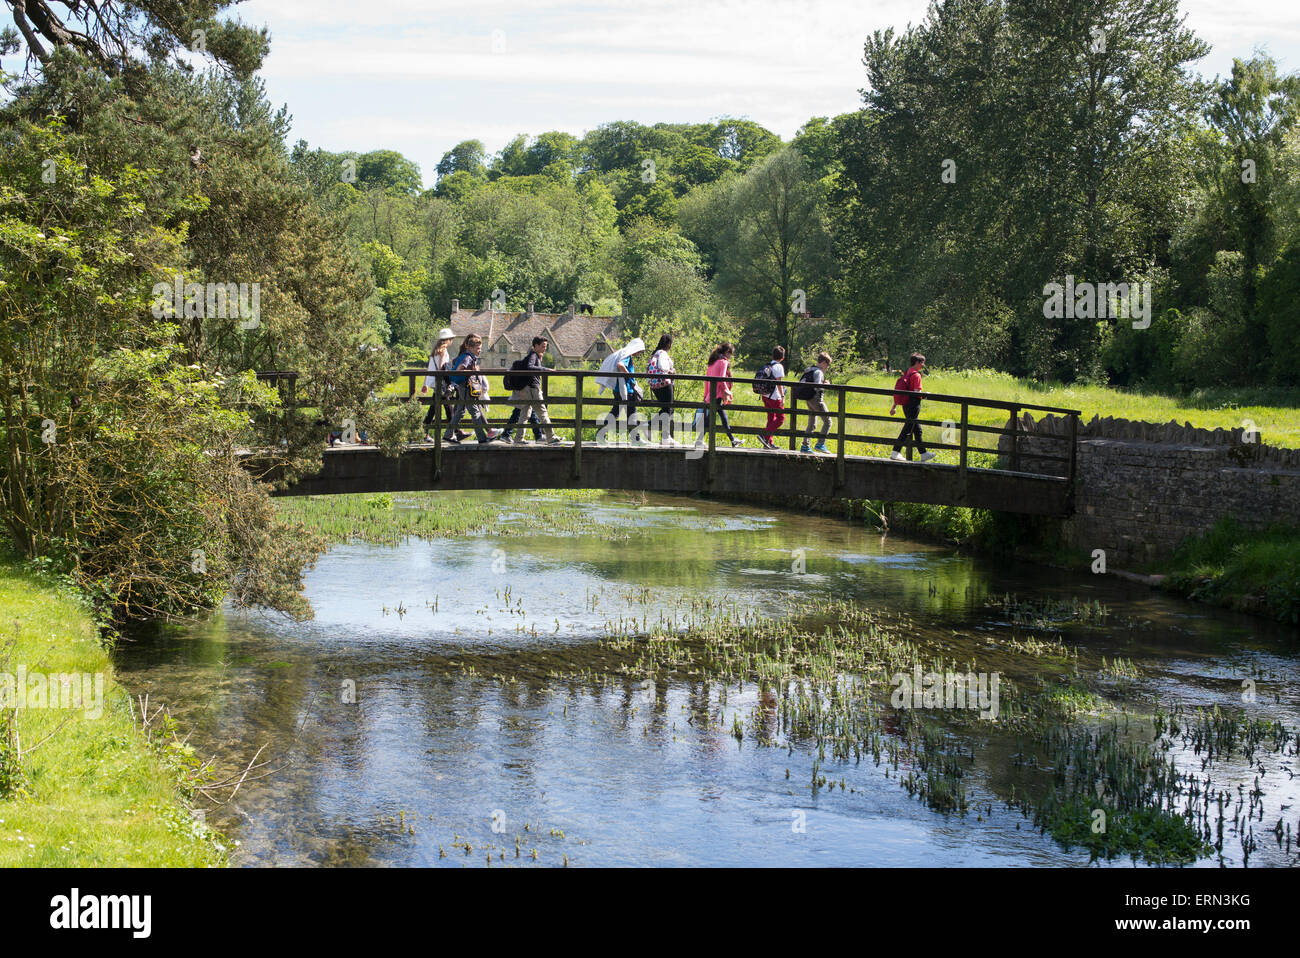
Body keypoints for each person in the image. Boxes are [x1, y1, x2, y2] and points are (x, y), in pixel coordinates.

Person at [443, 334, 499, 444]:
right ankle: (482, 438)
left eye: (480, 348)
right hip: (466, 387)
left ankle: (448, 435)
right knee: (475, 412)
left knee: (459, 411)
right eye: (477, 348)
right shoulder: (467, 357)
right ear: (470, 348)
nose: (479, 351)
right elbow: (460, 369)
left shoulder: (468, 356)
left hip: (463, 386)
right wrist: (471, 372)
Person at [507, 336, 559, 445]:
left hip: (526, 389)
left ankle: (518, 439)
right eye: (543, 346)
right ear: (535, 346)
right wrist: (546, 369)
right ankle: (551, 437)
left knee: (524, 414)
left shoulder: (533, 355)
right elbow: (530, 367)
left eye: (546, 346)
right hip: (532, 389)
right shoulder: (533, 355)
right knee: (542, 412)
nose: (545, 348)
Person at [595, 338, 645, 444]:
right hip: (626, 390)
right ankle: (635, 439)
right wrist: (630, 378)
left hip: (618, 390)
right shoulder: (626, 356)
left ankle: (600, 434)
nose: (640, 353)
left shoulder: (623, 353)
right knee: (631, 414)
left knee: (616, 412)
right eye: (640, 351)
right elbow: (620, 365)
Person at [421, 327, 467, 442]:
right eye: (451, 339)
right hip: (440, 382)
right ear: (447, 339)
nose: (451, 341)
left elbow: (429, 368)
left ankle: (424, 433)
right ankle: (454, 432)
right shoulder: (443, 351)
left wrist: (425, 383)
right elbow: (441, 367)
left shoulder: (434, 351)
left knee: (435, 408)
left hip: (434, 381)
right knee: (448, 407)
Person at [890, 352, 937, 462]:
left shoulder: (907, 372)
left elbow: (901, 390)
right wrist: (925, 395)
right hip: (913, 404)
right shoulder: (916, 375)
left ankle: (923, 453)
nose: (923, 365)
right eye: (922, 363)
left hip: (905, 404)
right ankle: (895, 452)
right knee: (908, 427)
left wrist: (894, 405)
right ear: (917, 362)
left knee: (917, 429)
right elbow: (917, 392)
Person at [701, 342, 741, 448]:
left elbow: (707, 381)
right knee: (716, 418)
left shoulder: (713, 362)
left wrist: (706, 395)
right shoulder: (723, 362)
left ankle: (732, 440)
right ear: (727, 352)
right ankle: (732, 440)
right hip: (717, 394)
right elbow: (722, 379)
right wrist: (728, 391)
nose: (730, 357)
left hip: (710, 395)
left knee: (717, 417)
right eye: (731, 354)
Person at [645, 334, 678, 445]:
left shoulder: (655, 353)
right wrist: (671, 371)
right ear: (668, 344)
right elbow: (663, 367)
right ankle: (664, 437)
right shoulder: (663, 353)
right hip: (664, 384)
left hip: (655, 385)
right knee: (668, 409)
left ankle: (649, 426)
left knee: (666, 409)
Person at [798, 352, 832, 454]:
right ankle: (820, 444)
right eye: (827, 364)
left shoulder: (809, 370)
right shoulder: (818, 372)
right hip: (816, 399)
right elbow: (817, 386)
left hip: (808, 399)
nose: (827, 367)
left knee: (812, 423)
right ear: (824, 363)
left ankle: (805, 446)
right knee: (828, 421)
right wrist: (825, 384)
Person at [756, 345, 786, 449]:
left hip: (765, 396)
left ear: (773, 355)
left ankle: (768, 442)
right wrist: (782, 396)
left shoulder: (768, 365)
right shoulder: (778, 366)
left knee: (771, 418)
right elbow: (779, 383)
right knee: (781, 418)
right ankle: (765, 435)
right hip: (774, 396)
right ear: (782, 358)